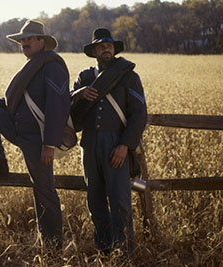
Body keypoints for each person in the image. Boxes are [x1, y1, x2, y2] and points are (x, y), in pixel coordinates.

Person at [0, 20, 70, 249]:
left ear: (41, 41)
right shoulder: (34, 64)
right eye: (22, 40)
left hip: (38, 138)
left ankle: (53, 245)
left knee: (44, 190)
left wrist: (50, 144)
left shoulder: (51, 66)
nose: (24, 43)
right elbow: (14, 101)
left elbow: (58, 106)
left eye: (29, 39)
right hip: (20, 130)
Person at [70, 28, 147, 256]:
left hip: (116, 143)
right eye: (101, 46)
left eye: (109, 45)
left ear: (114, 49)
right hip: (89, 143)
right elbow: (66, 108)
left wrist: (125, 145)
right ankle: (104, 250)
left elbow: (139, 114)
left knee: (120, 199)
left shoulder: (128, 76)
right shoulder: (85, 77)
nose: (106, 48)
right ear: (94, 51)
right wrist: (78, 95)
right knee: (95, 200)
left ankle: (124, 252)